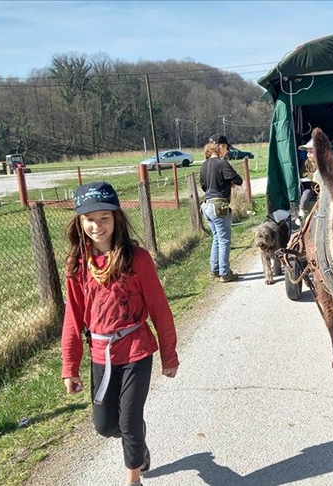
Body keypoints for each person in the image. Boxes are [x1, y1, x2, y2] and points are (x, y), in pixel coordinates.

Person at [61, 181, 180, 486]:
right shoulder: (77, 266)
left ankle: (133, 478)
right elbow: (73, 320)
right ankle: (137, 442)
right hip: (101, 355)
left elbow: (160, 310)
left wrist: (169, 354)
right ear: (79, 222)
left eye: (105, 218)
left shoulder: (137, 259)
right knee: (105, 426)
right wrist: (69, 366)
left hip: (136, 351)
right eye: (90, 219)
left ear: (116, 219)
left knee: (127, 420)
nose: (97, 226)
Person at [200, 133, 243, 282]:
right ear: (220, 147)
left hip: (206, 206)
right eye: (226, 148)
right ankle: (225, 273)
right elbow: (238, 179)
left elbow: (204, 186)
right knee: (224, 240)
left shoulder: (204, 165)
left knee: (216, 238)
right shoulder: (222, 163)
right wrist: (229, 183)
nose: (227, 152)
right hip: (219, 206)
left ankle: (215, 269)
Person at [296, 138, 317, 225]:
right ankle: (301, 212)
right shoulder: (306, 163)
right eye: (307, 152)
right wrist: (314, 176)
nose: (309, 155)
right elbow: (303, 173)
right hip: (312, 187)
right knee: (306, 193)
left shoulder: (323, 162)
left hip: (323, 188)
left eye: (311, 152)